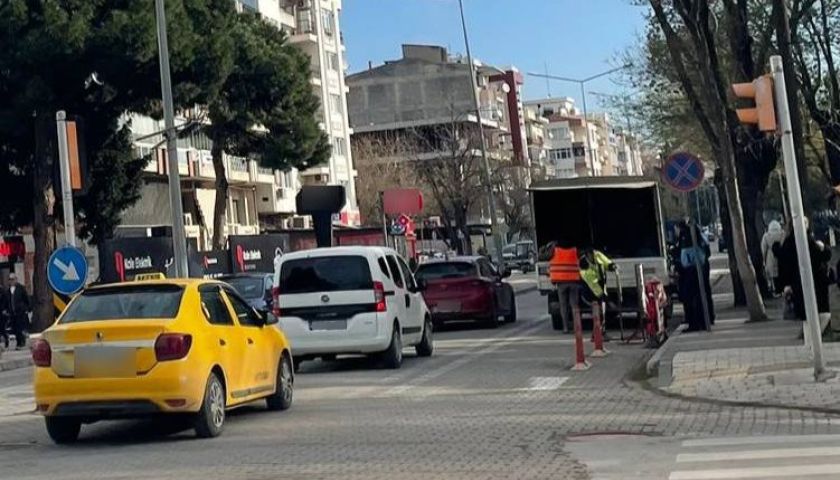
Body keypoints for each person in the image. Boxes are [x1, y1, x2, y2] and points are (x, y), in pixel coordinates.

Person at [775, 219, 832, 345]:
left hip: (800, 284)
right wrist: (824, 248)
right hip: (813, 283)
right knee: (822, 313)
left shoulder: (789, 242)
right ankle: (813, 343)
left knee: (808, 316)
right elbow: (823, 256)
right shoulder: (809, 241)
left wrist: (785, 285)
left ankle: (810, 344)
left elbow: (783, 263)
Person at [676, 221, 715, 331]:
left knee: (691, 297)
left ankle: (695, 323)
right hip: (701, 270)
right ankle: (707, 319)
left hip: (690, 272)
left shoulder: (685, 238)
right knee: (703, 295)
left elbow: (683, 258)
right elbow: (707, 252)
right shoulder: (700, 237)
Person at [579, 248, 616, 340]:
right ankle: (597, 335)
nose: (593, 256)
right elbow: (594, 287)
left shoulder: (597, 255)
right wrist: (607, 300)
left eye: (593, 253)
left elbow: (605, 262)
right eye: (591, 255)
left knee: (602, 313)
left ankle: (599, 333)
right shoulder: (584, 267)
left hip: (600, 287)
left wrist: (612, 266)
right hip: (590, 292)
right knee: (598, 313)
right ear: (587, 255)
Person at [548, 243, 581, 334]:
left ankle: (566, 328)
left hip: (561, 282)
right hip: (573, 281)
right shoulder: (575, 250)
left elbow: (543, 256)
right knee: (574, 305)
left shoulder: (554, 250)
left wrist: (546, 247)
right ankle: (576, 327)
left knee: (563, 306)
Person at [2, 274, 31, 349]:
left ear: (16, 280)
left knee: (19, 327)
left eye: (13, 279)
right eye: (10, 279)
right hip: (12, 312)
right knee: (14, 328)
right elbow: (6, 301)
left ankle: (20, 343)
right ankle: (21, 340)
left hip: (20, 312)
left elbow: (26, 299)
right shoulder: (8, 291)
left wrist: (27, 308)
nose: (11, 281)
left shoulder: (21, 288)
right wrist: (4, 309)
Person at [761, 220, 784, 295]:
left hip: (770, 256)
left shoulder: (766, 235)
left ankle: (774, 289)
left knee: (772, 274)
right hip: (781, 255)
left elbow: (763, 248)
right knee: (780, 272)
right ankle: (781, 289)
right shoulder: (782, 234)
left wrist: (763, 260)